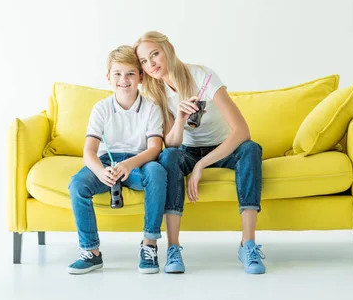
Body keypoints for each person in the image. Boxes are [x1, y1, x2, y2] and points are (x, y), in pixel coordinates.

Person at [134, 31, 265, 275]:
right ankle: (173, 248)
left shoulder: (203, 77)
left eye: (155, 54)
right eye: (143, 61)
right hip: (187, 150)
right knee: (168, 157)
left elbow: (242, 131)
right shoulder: (156, 91)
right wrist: (181, 121)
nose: (151, 64)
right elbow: (171, 144)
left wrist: (200, 166)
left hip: (224, 148)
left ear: (168, 49)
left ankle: (247, 244)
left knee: (251, 150)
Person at [67, 45, 167, 275]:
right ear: (108, 77)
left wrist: (130, 164)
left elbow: (154, 148)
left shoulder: (151, 108)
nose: (124, 79)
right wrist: (101, 172)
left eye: (131, 73)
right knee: (77, 184)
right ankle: (91, 252)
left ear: (140, 77)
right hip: (106, 163)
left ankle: (149, 245)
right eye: (118, 74)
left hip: (138, 163)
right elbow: (89, 153)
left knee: (157, 172)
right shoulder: (101, 108)